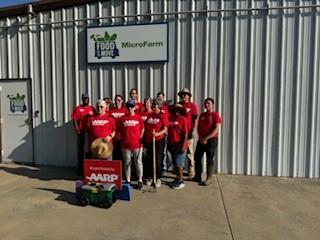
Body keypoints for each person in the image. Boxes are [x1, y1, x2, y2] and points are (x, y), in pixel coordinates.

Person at [193, 98, 222, 185]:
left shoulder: (215, 115)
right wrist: (201, 138)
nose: (207, 105)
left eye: (208, 103)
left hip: (212, 140)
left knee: (209, 160)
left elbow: (216, 129)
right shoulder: (202, 115)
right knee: (197, 157)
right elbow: (199, 128)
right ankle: (198, 176)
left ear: (213, 104)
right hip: (201, 140)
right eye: (205, 103)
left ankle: (209, 178)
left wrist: (207, 138)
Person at [119, 100, 145, 189]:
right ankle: (128, 180)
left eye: (131, 106)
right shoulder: (123, 118)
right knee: (127, 162)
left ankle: (140, 180)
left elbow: (142, 129)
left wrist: (140, 137)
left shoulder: (138, 118)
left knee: (138, 162)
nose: (130, 108)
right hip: (125, 145)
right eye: (128, 106)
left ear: (134, 107)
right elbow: (120, 130)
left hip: (137, 144)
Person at [143, 99, 168, 187]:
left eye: (155, 106)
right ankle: (150, 177)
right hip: (149, 140)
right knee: (149, 159)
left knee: (157, 159)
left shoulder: (162, 115)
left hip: (158, 140)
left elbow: (165, 129)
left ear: (159, 106)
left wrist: (157, 134)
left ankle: (158, 178)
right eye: (153, 105)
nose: (153, 107)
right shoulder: (150, 115)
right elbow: (145, 127)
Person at [71, 93, 94, 174]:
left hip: (89, 132)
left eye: (87, 98)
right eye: (84, 98)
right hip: (81, 132)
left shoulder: (92, 109)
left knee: (89, 151)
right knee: (80, 151)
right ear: (82, 99)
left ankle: (89, 169)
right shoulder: (78, 109)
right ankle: (80, 169)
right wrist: (77, 130)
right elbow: (74, 119)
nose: (86, 100)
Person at [178, 88, 198, 179]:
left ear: (189, 96)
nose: (184, 96)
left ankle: (191, 171)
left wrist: (193, 131)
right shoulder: (179, 105)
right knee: (180, 152)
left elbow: (195, 119)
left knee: (190, 153)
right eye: (182, 94)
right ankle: (179, 170)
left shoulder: (192, 106)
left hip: (189, 132)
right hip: (179, 133)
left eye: (186, 94)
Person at [167, 104, 188, 189]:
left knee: (179, 163)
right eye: (175, 109)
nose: (177, 111)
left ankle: (181, 181)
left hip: (180, 143)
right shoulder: (171, 118)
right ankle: (177, 178)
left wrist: (184, 145)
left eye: (178, 110)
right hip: (172, 144)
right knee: (175, 162)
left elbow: (186, 133)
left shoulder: (183, 119)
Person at [109, 95, 128, 161]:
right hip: (113, 136)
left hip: (123, 136)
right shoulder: (111, 111)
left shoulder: (125, 110)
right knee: (114, 154)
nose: (117, 102)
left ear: (122, 101)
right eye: (116, 100)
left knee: (122, 155)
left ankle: (122, 170)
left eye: (119, 100)